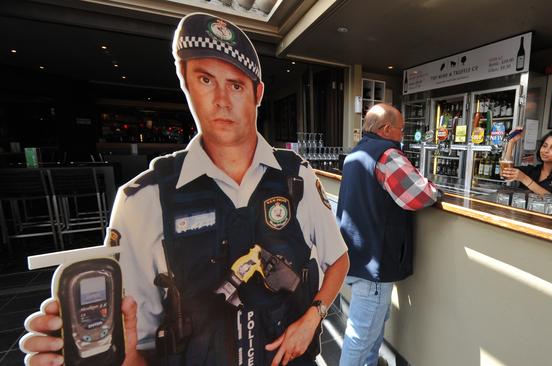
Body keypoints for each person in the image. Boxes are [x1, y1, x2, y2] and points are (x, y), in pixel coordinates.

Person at [20, 13, 349, 366]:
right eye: (206, 80)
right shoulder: (143, 199)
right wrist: (107, 355)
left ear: (258, 94)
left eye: (236, 85)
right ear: (186, 85)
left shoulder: (295, 176)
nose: (222, 100)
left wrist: (313, 316)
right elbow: (135, 350)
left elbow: (339, 258)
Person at [336, 103, 441, 366]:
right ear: (385, 129)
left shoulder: (355, 154)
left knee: (370, 328)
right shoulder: (387, 155)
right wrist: (436, 190)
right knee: (361, 334)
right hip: (375, 259)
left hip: (356, 254)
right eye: (401, 130)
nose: (402, 136)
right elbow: (419, 195)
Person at [501, 128, 552, 196]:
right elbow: (504, 172)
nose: (546, 150)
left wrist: (524, 179)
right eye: (544, 146)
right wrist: (511, 142)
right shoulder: (531, 171)